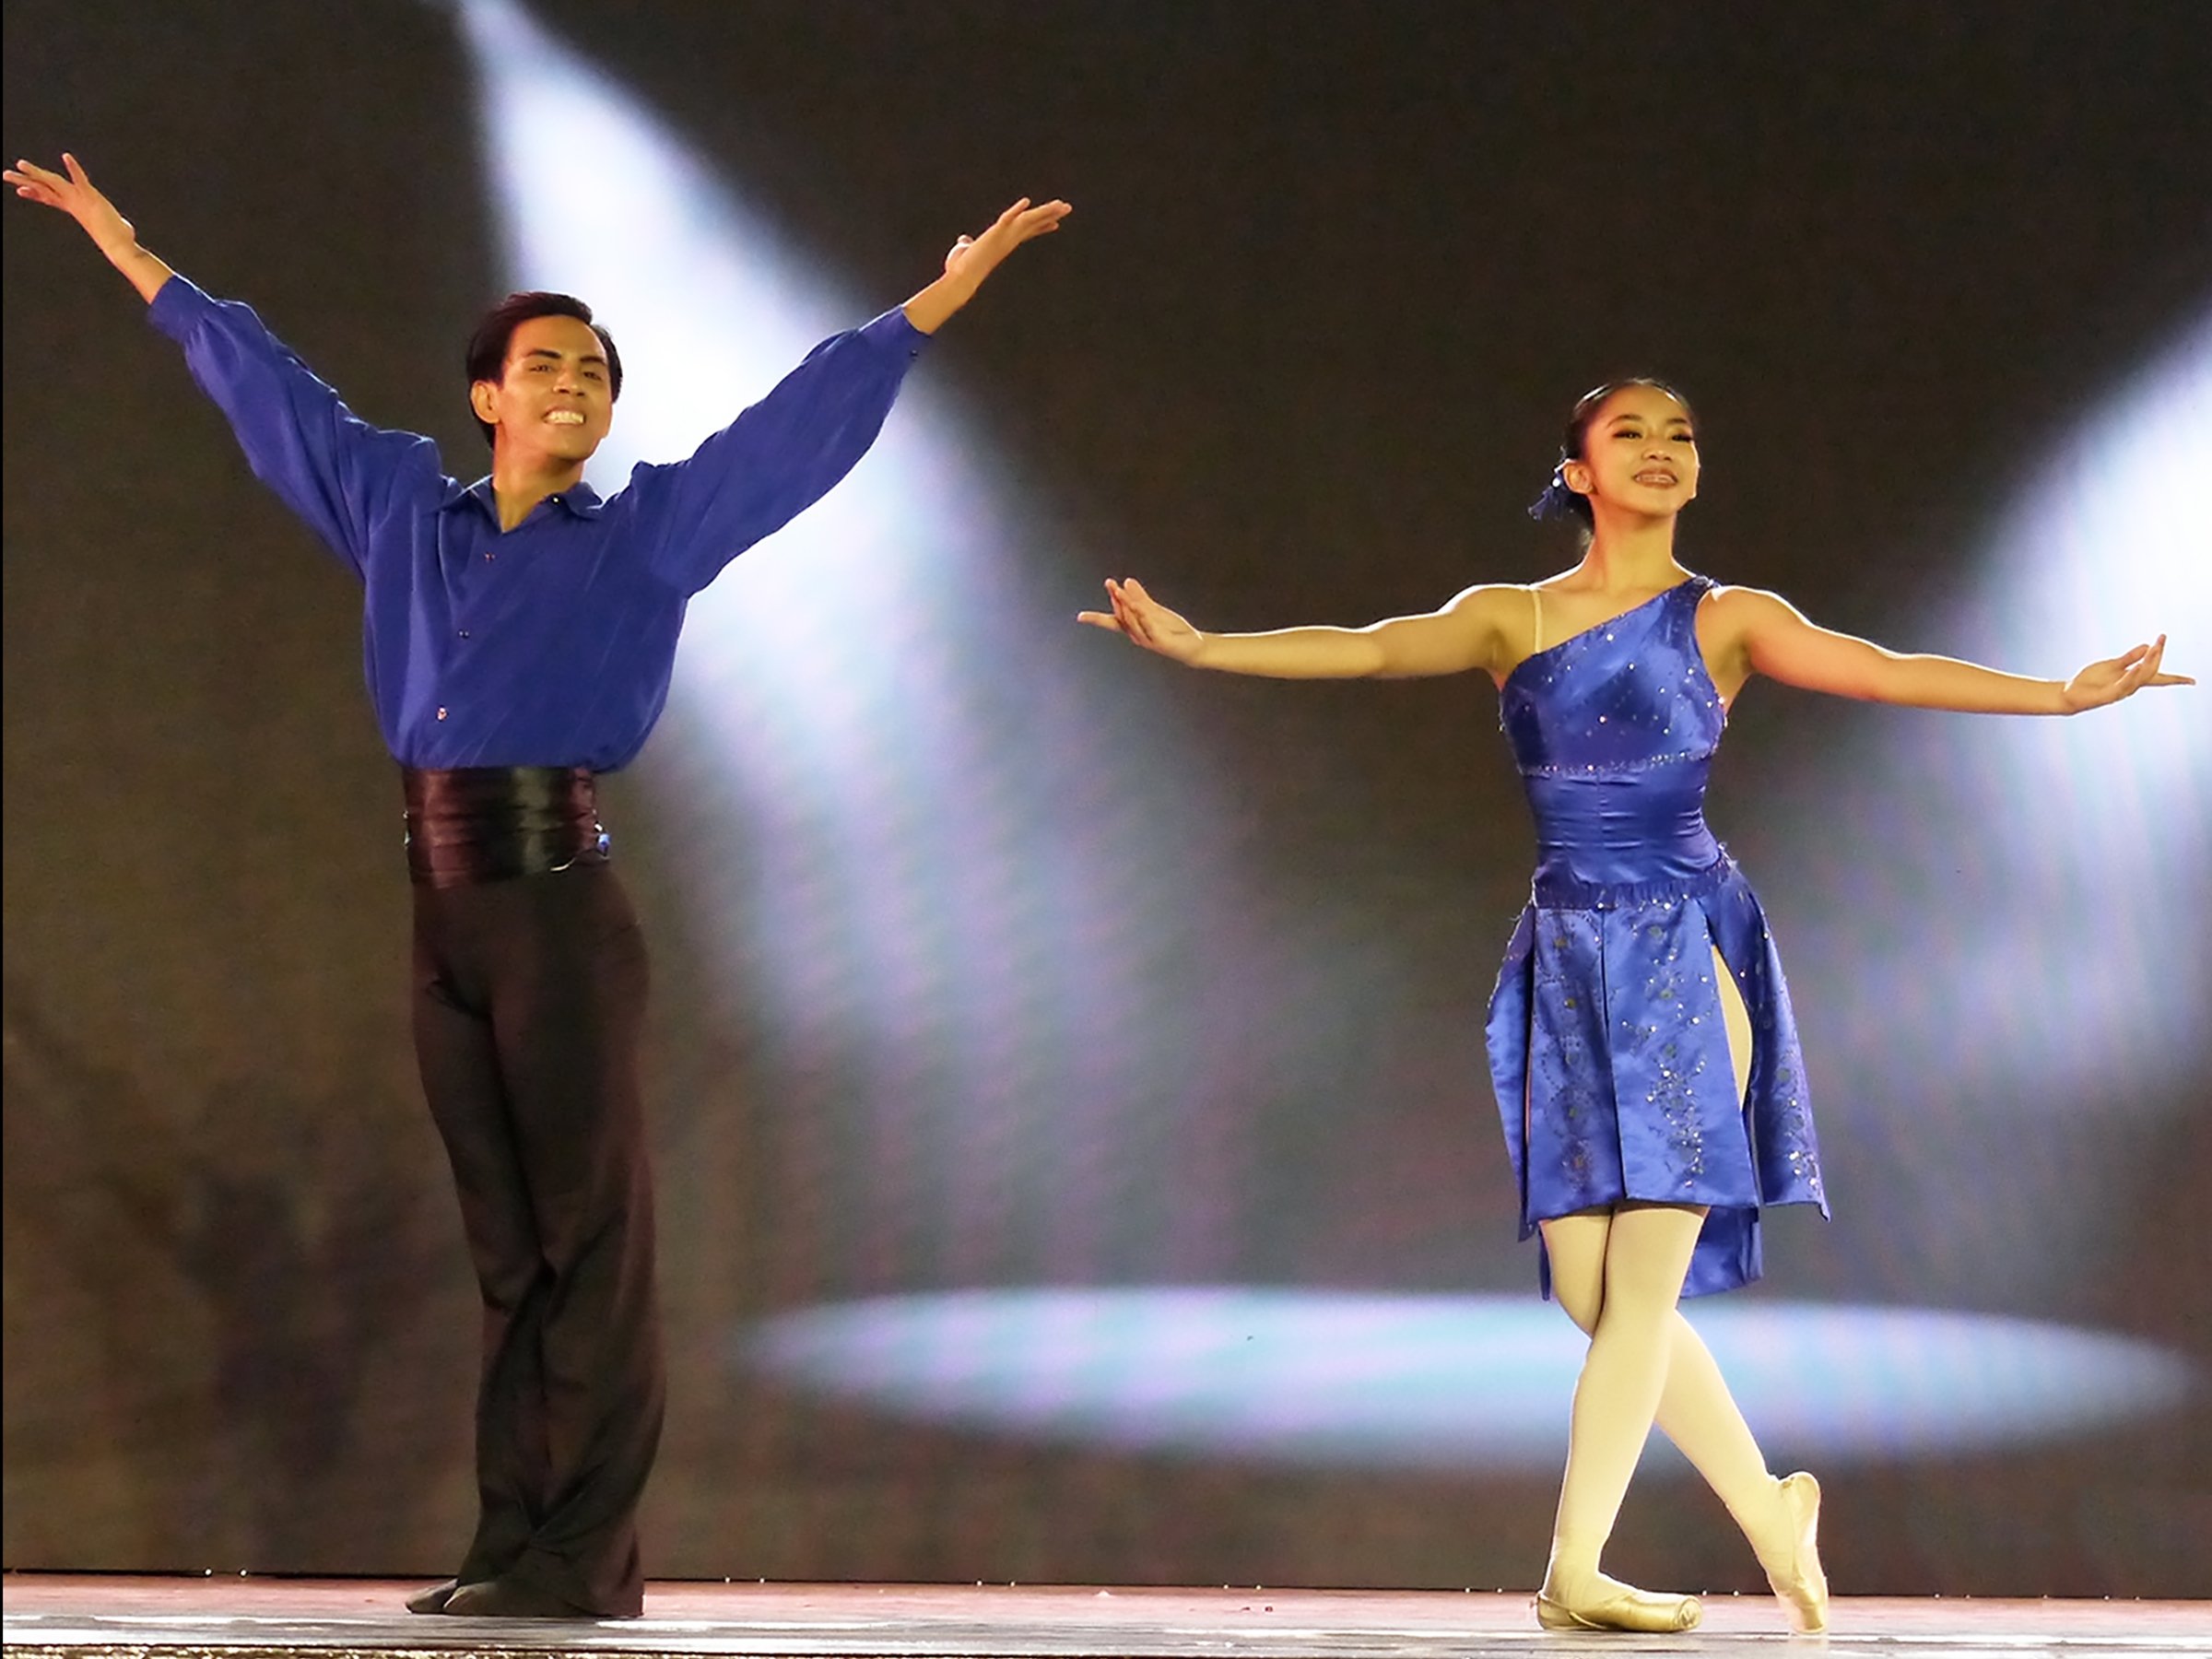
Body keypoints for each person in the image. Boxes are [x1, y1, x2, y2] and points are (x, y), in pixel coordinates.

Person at [6, 150, 1069, 1620]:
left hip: (559, 908)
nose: (575, 384)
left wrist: (934, 299)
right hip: (442, 915)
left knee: (590, 1244)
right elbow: (267, 390)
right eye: (545, 364)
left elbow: (792, 430)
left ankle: (586, 1560)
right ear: (487, 400)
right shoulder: (396, 510)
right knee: (509, 1258)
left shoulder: (640, 537)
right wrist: (133, 254)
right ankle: (512, 1546)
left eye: (596, 370)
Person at [1079, 377, 2188, 1633]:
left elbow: (1876, 671)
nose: (1662, 452)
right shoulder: (1510, 618)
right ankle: (1771, 1514)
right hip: (1563, 957)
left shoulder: (1727, 618)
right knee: (1594, 1296)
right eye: (1632, 435)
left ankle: (1574, 1570)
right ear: (1579, 471)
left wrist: (2060, 695)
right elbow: (1374, 645)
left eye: (1681, 436)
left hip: (1681, 951)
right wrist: (1201, 645)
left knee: (1643, 1294)